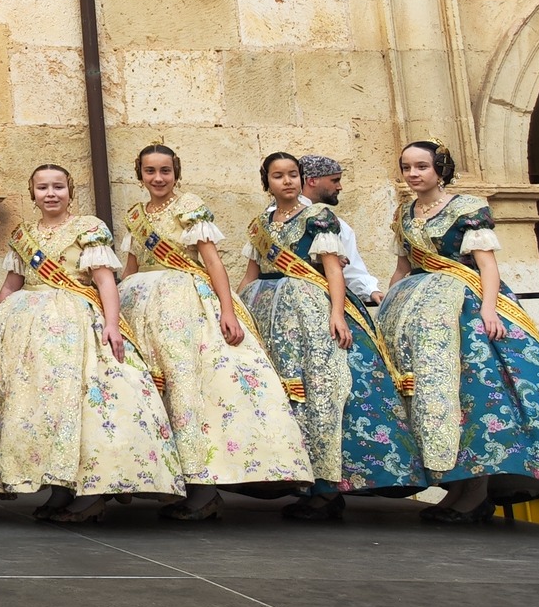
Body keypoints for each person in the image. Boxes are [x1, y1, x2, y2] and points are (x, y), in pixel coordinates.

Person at [380, 140, 539, 523]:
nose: (412, 174)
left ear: (440, 169)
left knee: (474, 395)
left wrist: (489, 311)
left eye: (421, 166)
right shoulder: (404, 213)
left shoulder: (466, 208)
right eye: (406, 167)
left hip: (464, 309)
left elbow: (486, 265)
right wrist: (388, 309)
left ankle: (476, 493)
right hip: (416, 315)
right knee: (431, 399)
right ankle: (457, 488)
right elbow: (403, 268)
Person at [119, 144, 312, 521]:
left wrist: (228, 309)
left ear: (176, 173)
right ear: (139, 174)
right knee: (153, 389)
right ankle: (171, 480)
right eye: (150, 171)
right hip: (141, 306)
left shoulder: (190, 207)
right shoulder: (135, 216)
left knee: (190, 389)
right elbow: (130, 267)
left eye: (165, 171)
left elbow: (212, 263)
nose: (158, 178)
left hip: (186, 304)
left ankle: (204, 490)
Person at [0, 164, 180, 524]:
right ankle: (59, 488)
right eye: (43, 187)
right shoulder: (23, 235)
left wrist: (112, 324)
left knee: (82, 403)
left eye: (58, 187)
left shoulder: (89, 229)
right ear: (32, 194)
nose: (51, 194)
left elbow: (105, 280)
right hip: (29, 333)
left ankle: (91, 493)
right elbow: (12, 284)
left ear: (70, 191)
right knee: (43, 406)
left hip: (76, 326)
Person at [241, 152, 422, 521]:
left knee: (322, 393)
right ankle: (299, 480)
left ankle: (327, 489)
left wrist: (337, 313)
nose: (287, 181)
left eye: (293, 174)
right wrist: (236, 311)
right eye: (278, 175)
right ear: (267, 182)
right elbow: (251, 273)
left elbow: (334, 271)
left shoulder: (319, 217)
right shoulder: (260, 224)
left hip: (310, 312)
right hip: (268, 313)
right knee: (286, 396)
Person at [298, 155, 379, 305]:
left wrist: (371, 291)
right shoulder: (273, 217)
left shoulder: (334, 224)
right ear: (312, 180)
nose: (339, 187)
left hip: (322, 301)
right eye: (334, 180)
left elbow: (351, 270)